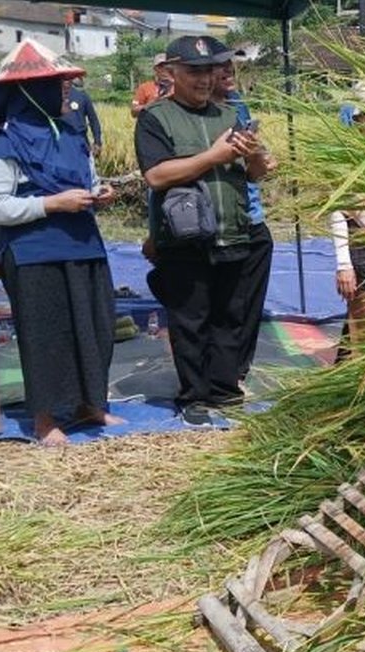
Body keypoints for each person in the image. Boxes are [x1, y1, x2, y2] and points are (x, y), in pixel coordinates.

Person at [136, 36, 273, 427]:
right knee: (190, 320)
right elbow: (157, 175)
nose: (204, 78)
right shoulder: (155, 118)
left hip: (234, 229)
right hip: (185, 238)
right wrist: (214, 155)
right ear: (171, 73)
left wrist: (256, 155)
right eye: (194, 70)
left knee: (231, 316)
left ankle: (224, 390)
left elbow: (255, 174)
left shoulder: (228, 115)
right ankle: (193, 396)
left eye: (210, 70)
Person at [0, 40, 120, 445]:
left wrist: (99, 192)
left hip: (85, 244)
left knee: (94, 327)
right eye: (56, 83)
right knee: (45, 334)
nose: (66, 88)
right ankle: (45, 419)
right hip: (34, 251)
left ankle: (91, 404)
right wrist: (52, 204)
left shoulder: (72, 132)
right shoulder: (5, 142)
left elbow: (87, 179)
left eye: (66, 82)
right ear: (29, 90)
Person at [206, 37, 277, 383]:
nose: (228, 72)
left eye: (230, 65)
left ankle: (237, 370)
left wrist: (260, 158)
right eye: (220, 67)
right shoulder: (188, 114)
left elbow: (254, 170)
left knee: (248, 305)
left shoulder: (239, 106)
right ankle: (216, 374)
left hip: (251, 217)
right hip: (215, 224)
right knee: (222, 306)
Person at [59, 78, 102, 156]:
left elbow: (93, 120)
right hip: (60, 141)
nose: (66, 81)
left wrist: (97, 141)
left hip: (80, 140)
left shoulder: (82, 96)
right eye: (63, 78)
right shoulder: (53, 97)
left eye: (68, 78)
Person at [130, 53, 172, 118]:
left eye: (167, 66)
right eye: (160, 66)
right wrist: (154, 103)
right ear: (155, 69)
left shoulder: (179, 86)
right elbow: (133, 112)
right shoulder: (144, 87)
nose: (164, 69)